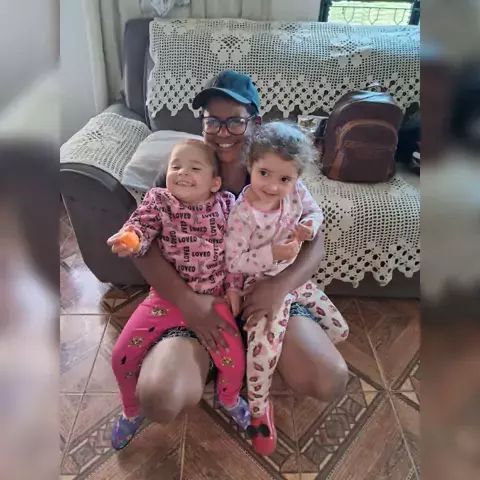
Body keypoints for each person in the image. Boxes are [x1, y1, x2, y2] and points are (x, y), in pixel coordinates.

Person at [129, 70, 349, 451]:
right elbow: (141, 244)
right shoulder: (182, 170)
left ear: (255, 123)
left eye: (235, 121)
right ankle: (214, 358)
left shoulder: (274, 168)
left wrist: (279, 287)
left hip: (266, 294)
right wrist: (187, 302)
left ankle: (255, 354)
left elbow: (316, 242)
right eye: (212, 121)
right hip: (201, 302)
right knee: (158, 397)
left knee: (329, 378)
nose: (223, 132)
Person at [107, 139, 250, 450]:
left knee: (235, 361)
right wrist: (131, 238)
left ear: (214, 183)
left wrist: (233, 287)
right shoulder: (159, 200)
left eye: (194, 168)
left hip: (214, 299)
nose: (183, 172)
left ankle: (228, 399)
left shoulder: (227, 205)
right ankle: (131, 411)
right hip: (163, 300)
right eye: (176, 167)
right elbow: (140, 224)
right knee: (120, 357)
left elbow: (237, 251)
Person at [225, 122, 349, 455]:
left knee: (340, 330)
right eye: (264, 173)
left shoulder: (296, 191)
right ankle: (258, 408)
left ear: (296, 178)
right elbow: (233, 261)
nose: (272, 186)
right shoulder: (241, 213)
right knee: (262, 353)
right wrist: (271, 254)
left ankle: (293, 347)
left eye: (284, 179)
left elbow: (314, 211)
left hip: (294, 280)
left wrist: (309, 226)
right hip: (258, 284)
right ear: (250, 164)